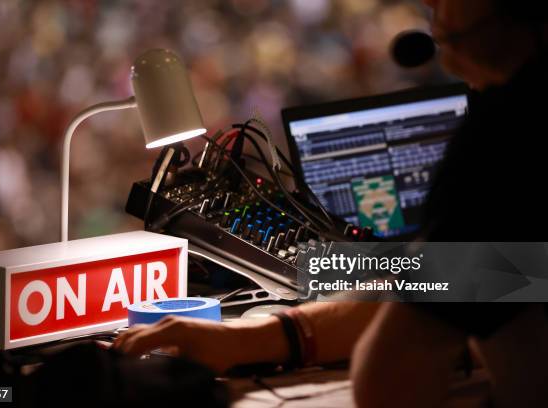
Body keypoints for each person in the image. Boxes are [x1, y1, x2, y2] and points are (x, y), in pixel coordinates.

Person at [115, 0, 548, 406]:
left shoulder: (507, 137)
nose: (432, 5)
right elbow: (439, 284)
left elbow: (389, 380)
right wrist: (250, 339)